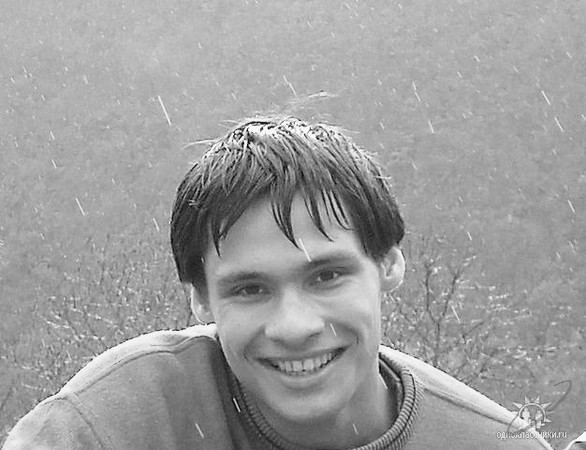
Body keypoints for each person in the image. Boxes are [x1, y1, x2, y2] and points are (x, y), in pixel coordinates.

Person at [3, 116, 551, 449]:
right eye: (250, 289)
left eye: (327, 276)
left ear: (388, 264)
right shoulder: (114, 425)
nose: (293, 327)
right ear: (200, 299)